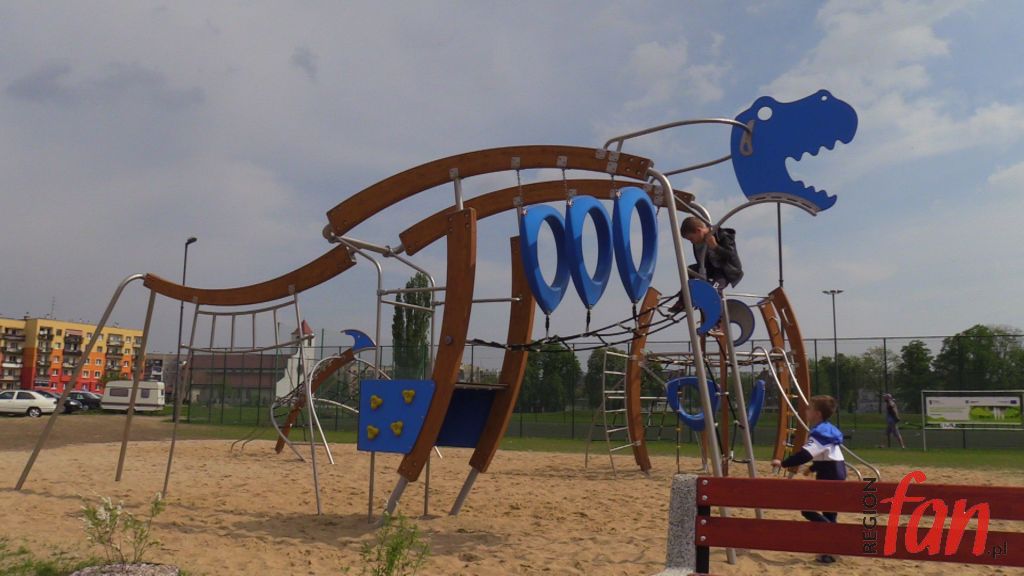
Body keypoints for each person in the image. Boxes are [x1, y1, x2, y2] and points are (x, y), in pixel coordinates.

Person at [771, 395, 846, 565]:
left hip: (830, 477)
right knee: (829, 513)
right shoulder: (827, 430)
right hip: (835, 473)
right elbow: (829, 455)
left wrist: (783, 463)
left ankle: (836, 537)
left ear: (817, 414)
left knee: (807, 509)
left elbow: (805, 454)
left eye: (809, 408)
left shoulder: (820, 433)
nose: (806, 411)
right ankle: (829, 552)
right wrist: (813, 468)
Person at [669, 216, 743, 314]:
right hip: (710, 268)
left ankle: (717, 317)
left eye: (691, 238)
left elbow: (731, 256)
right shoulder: (698, 242)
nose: (691, 242)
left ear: (699, 231)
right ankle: (683, 301)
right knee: (688, 270)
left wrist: (715, 247)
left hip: (725, 271)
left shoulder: (722, 235)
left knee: (714, 289)